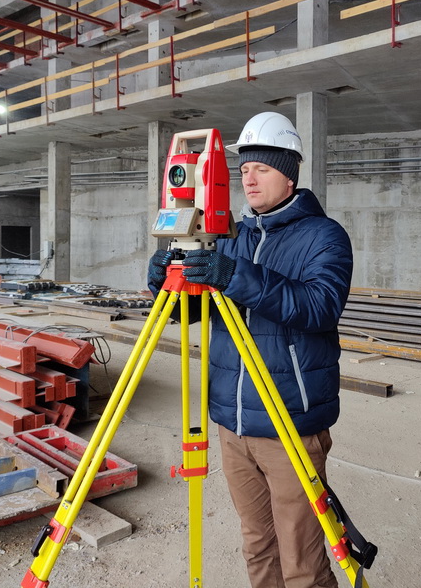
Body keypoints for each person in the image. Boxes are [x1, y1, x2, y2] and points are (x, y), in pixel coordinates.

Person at [148, 112, 353, 588]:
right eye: (243, 169)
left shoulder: (324, 236)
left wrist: (236, 276)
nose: (249, 178)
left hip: (289, 422)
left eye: (261, 168)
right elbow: (196, 313)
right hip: (231, 420)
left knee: (302, 560)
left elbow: (320, 307)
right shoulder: (229, 238)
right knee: (257, 544)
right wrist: (166, 282)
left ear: (289, 174)